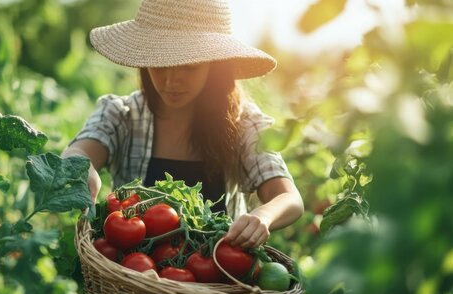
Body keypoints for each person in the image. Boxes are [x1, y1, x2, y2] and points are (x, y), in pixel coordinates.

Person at [62, 0, 304, 249]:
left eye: (189, 67)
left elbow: (288, 197)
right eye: (160, 63)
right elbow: (80, 150)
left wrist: (262, 216)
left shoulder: (242, 124)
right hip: (133, 276)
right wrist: (80, 166)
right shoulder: (122, 115)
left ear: (215, 65)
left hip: (215, 278)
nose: (171, 80)